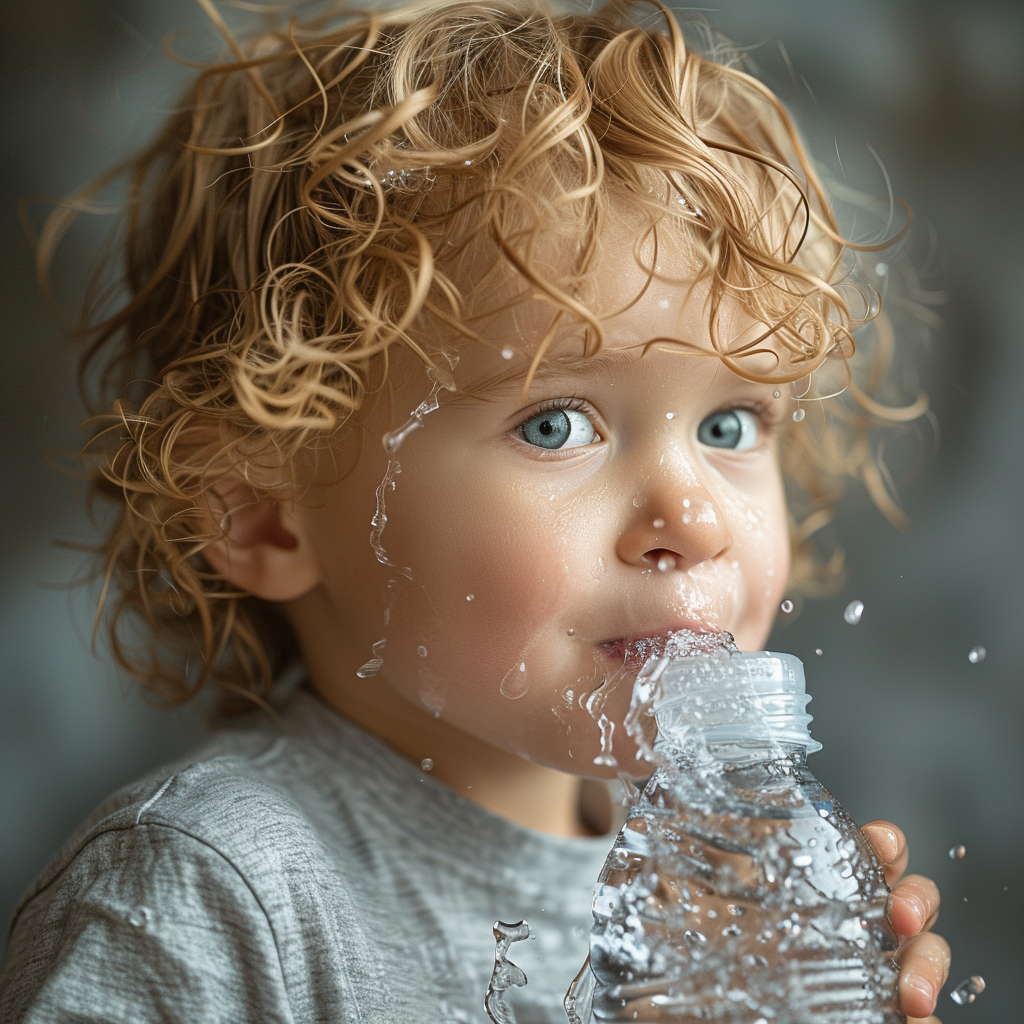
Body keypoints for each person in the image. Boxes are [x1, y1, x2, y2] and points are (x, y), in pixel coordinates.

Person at [0, 1, 950, 1021]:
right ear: (264, 512)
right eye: (556, 425)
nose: (695, 515)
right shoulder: (209, 893)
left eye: (729, 428)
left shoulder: (706, 894)